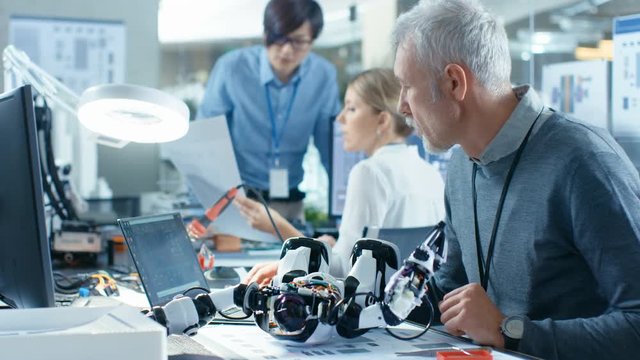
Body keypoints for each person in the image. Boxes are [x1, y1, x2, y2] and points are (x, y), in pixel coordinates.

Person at [392, 0, 640, 359]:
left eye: (406, 87)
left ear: (453, 83)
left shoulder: (584, 160)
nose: (401, 106)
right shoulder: (462, 163)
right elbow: (451, 292)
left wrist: (509, 330)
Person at [236, 68, 445, 284]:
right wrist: (326, 247)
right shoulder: (431, 174)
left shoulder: (369, 173)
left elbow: (345, 269)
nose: (340, 118)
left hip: (367, 310)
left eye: (351, 109)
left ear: (382, 121)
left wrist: (277, 225)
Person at [196, 0, 341, 221]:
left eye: (299, 42)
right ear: (265, 34)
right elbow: (205, 141)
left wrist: (344, 212)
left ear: (312, 40)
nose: (286, 50)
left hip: (291, 207)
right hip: (239, 205)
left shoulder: (323, 76)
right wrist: (209, 211)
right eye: (279, 38)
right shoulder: (232, 68)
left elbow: (331, 152)